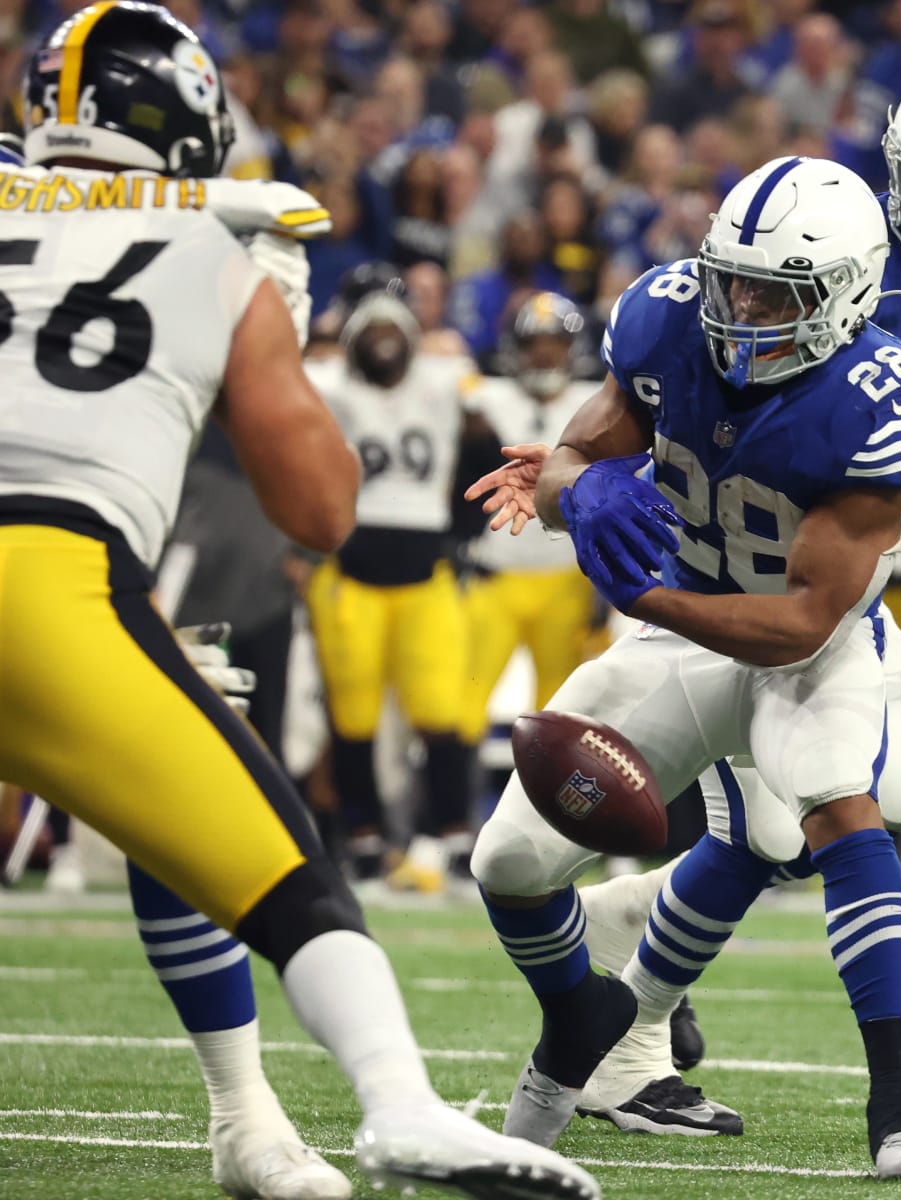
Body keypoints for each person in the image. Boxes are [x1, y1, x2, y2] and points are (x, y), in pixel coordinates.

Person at [0, 7, 600, 1200]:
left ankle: (249, 1121)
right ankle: (399, 1102)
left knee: (174, 770)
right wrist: (263, 313)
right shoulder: (217, 247)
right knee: (293, 880)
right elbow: (323, 508)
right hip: (42, 584)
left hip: (59, 591)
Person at [468, 56, 901, 1138]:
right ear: (895, 174)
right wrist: (590, 480)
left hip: (829, 569)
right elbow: (711, 416)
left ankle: (623, 965)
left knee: (815, 825)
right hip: (733, 567)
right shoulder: (836, 281)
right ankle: (630, 1031)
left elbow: (803, 453)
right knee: (791, 824)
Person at [303, 265, 485, 888]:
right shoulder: (327, 382)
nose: (384, 339)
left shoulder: (447, 377)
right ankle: (362, 836)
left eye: (394, 328)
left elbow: (499, 417)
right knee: (352, 718)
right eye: (371, 329)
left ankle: (454, 834)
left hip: (425, 569)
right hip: (350, 571)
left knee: (442, 712)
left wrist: (469, 525)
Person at [459, 293, 599, 759]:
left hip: (567, 579)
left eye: (554, 342)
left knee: (559, 713)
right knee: (462, 709)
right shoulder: (486, 394)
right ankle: (452, 814)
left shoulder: (597, 403)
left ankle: (549, 822)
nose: (544, 354)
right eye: (534, 342)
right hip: (496, 574)